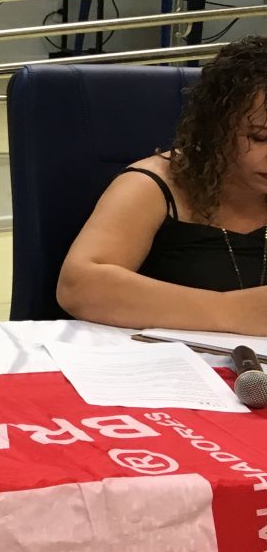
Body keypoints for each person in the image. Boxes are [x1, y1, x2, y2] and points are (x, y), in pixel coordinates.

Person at [57, 35, 267, 331]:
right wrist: (232, 312)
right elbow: (79, 286)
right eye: (259, 137)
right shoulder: (153, 185)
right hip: (163, 355)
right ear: (216, 127)